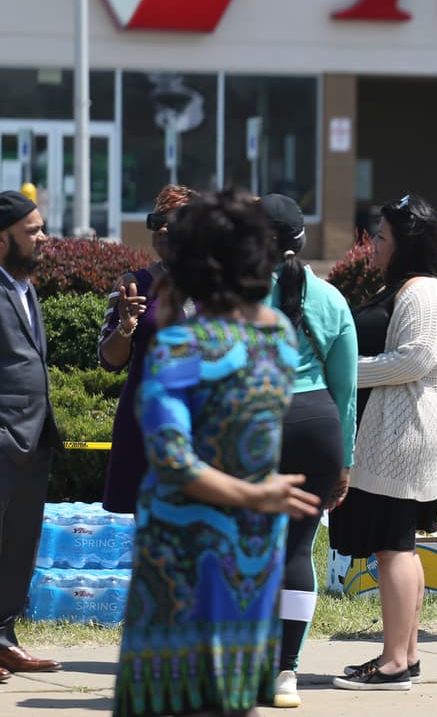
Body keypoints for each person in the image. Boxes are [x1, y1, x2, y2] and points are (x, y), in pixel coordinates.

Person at [112, 189, 321, 717]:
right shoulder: (277, 337)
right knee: (234, 692)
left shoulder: (179, 348)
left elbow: (174, 461)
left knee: (173, 695)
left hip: (184, 545)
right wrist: (259, 494)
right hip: (254, 539)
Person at [329, 193, 437, 691]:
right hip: (390, 437)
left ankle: (393, 665)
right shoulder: (407, 287)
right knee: (397, 547)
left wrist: (341, 373)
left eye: (381, 237)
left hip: (402, 440)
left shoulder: (424, 292)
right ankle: (404, 655)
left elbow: (414, 361)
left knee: (394, 549)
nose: (373, 245)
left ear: (407, 243)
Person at [259, 194, 357, 708]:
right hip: (317, 425)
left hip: (257, 424)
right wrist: (344, 459)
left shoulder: (235, 294)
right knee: (298, 549)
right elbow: (346, 390)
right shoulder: (332, 299)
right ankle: (286, 672)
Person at [99, 184, 197, 514]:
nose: (164, 228)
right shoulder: (133, 285)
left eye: (174, 220)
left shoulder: (217, 286)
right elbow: (109, 361)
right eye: (157, 221)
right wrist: (126, 327)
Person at [0, 191, 61, 681]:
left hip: (33, 442)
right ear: (2, 241)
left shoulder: (24, 286)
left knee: (19, 545)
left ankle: (3, 637)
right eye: (32, 231)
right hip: (3, 439)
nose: (43, 238)